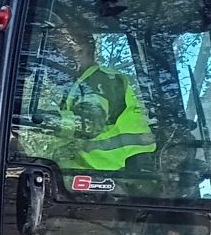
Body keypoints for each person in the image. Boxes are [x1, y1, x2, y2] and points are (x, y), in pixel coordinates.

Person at [17, 20, 156, 176]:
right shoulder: (79, 86)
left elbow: (89, 123)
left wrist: (35, 119)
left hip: (117, 176)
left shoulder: (101, 81)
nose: (50, 57)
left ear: (80, 51)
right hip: (94, 174)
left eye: (56, 50)